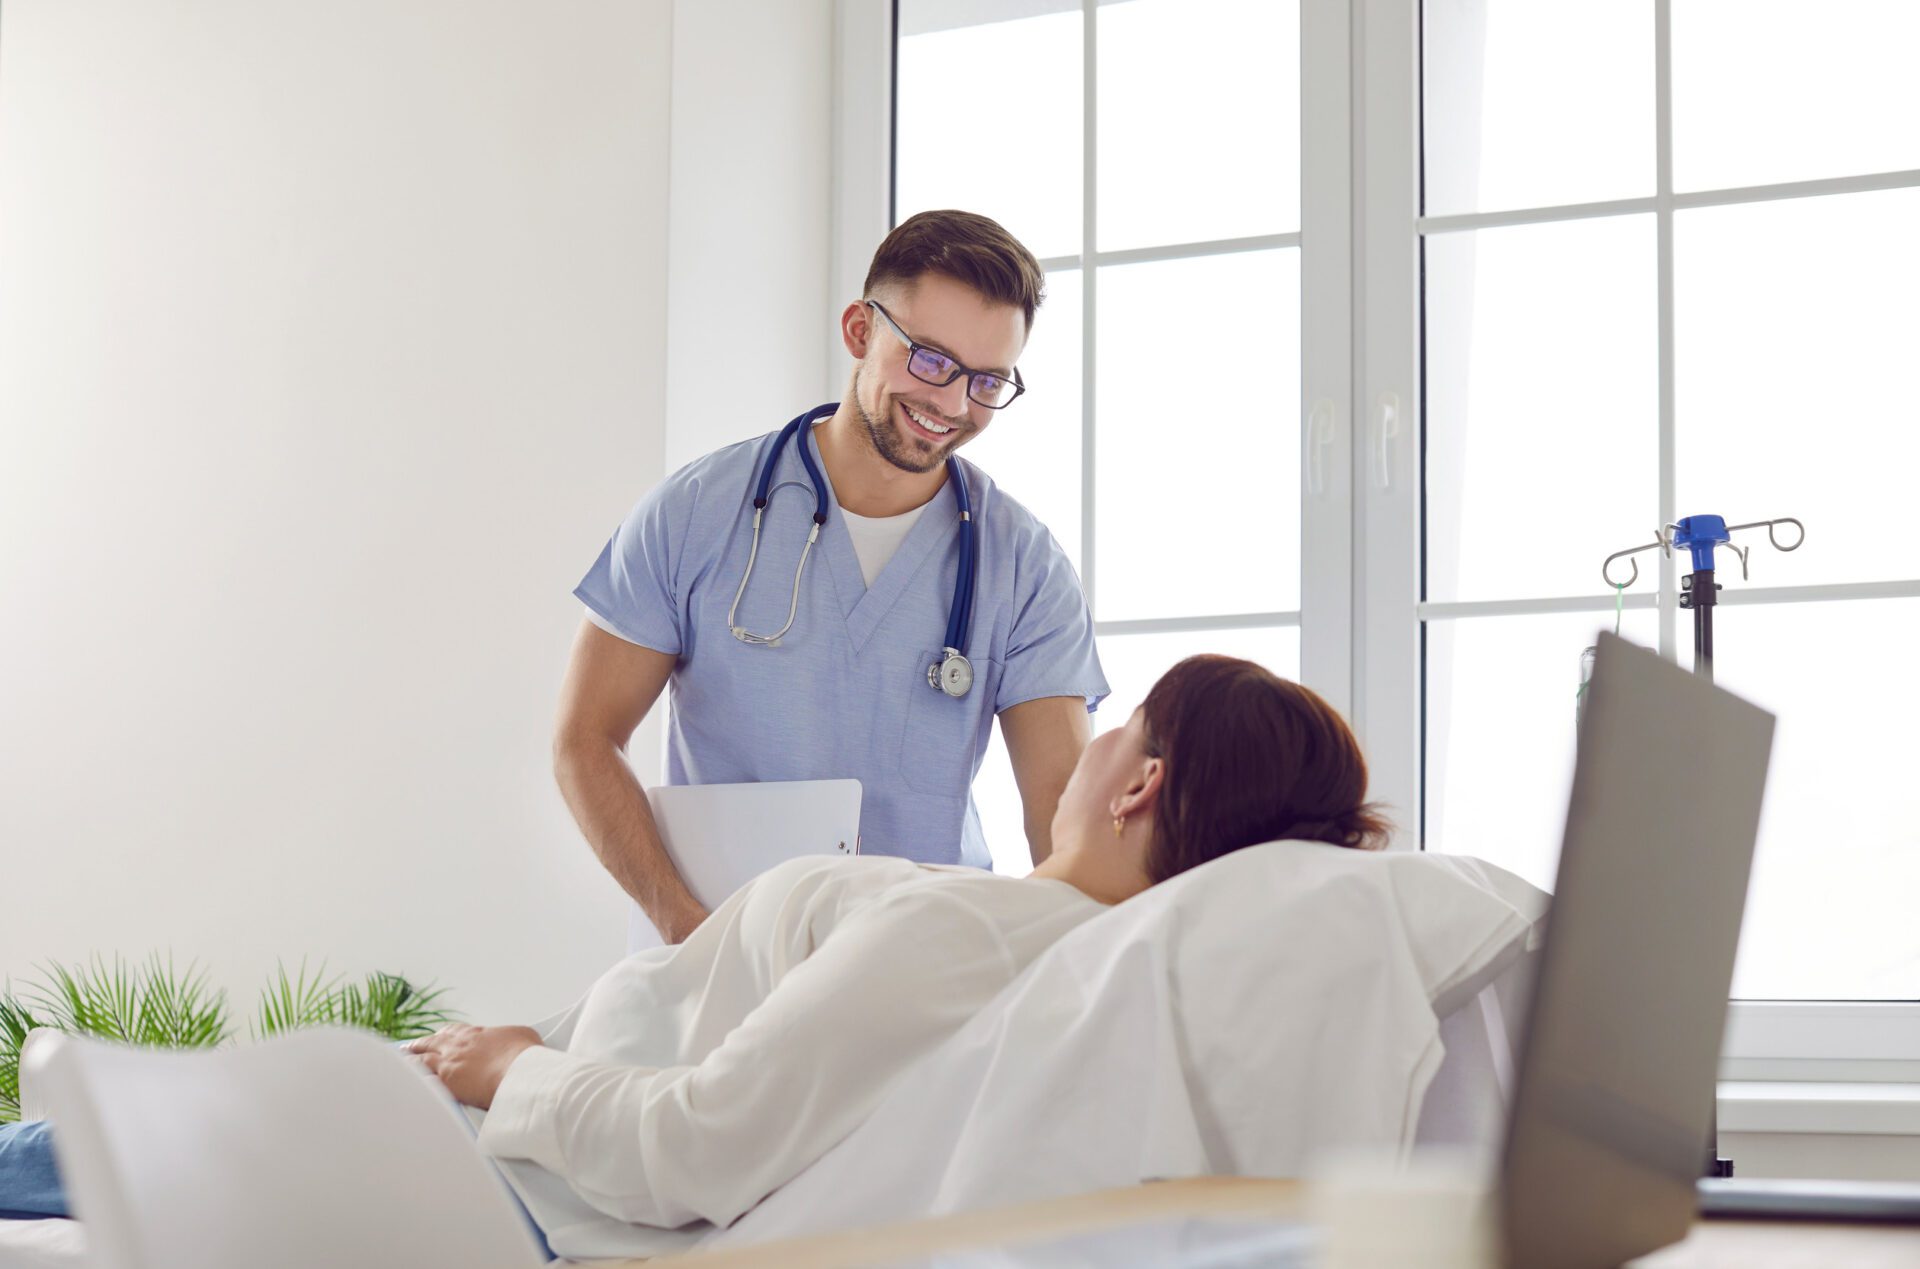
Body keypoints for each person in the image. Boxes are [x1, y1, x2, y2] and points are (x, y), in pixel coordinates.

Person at [0, 657, 1385, 1244]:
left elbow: (696, 1148)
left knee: (98, 1130)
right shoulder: (1055, 955)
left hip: (522, 1180)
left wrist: (508, 1067)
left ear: (1141, 785)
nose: (1085, 744)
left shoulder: (973, 931)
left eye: (1119, 726)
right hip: (524, 1138)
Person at [557, 210, 1108, 945]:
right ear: (859, 331)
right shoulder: (697, 513)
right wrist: (683, 925)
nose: (951, 404)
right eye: (929, 360)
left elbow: (1066, 830)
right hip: (718, 951)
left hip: (923, 971)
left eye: (985, 381)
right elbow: (584, 740)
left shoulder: (1024, 566)